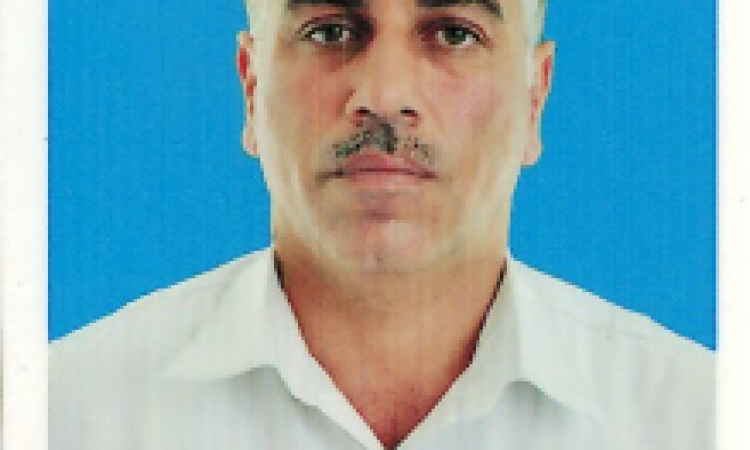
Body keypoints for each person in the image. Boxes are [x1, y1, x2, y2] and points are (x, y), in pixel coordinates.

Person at [50, 0, 714, 448]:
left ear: (534, 97)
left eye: (454, 33)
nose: (385, 94)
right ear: (251, 91)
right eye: (330, 31)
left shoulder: (697, 419)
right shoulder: (64, 413)